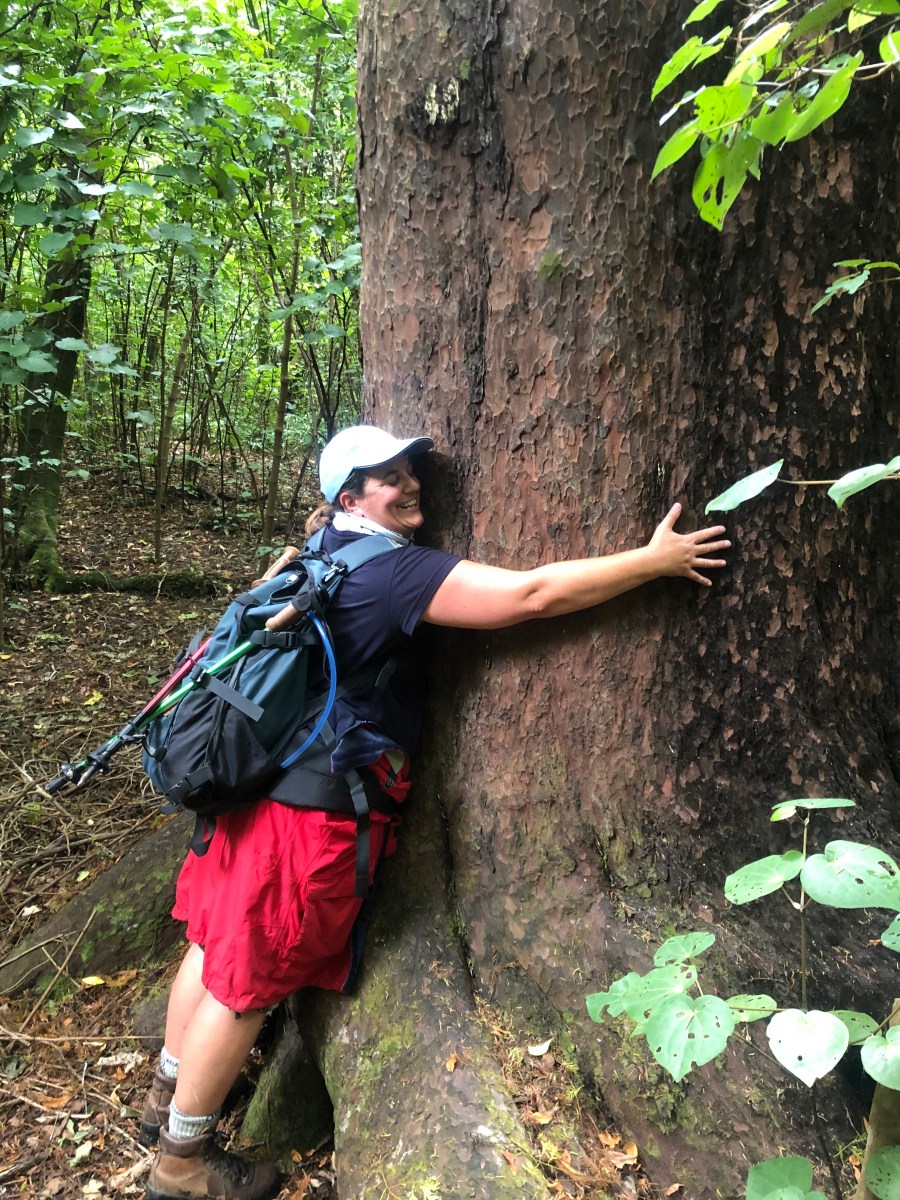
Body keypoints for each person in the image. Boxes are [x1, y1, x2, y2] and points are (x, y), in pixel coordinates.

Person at [142, 425, 730, 1200]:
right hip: (303, 817)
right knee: (245, 985)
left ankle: (164, 1106)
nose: (408, 481)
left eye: (407, 467)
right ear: (348, 498)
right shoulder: (391, 574)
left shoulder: (313, 558)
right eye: (384, 476)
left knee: (211, 943)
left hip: (247, 799)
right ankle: (180, 1164)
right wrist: (653, 562)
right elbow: (531, 595)